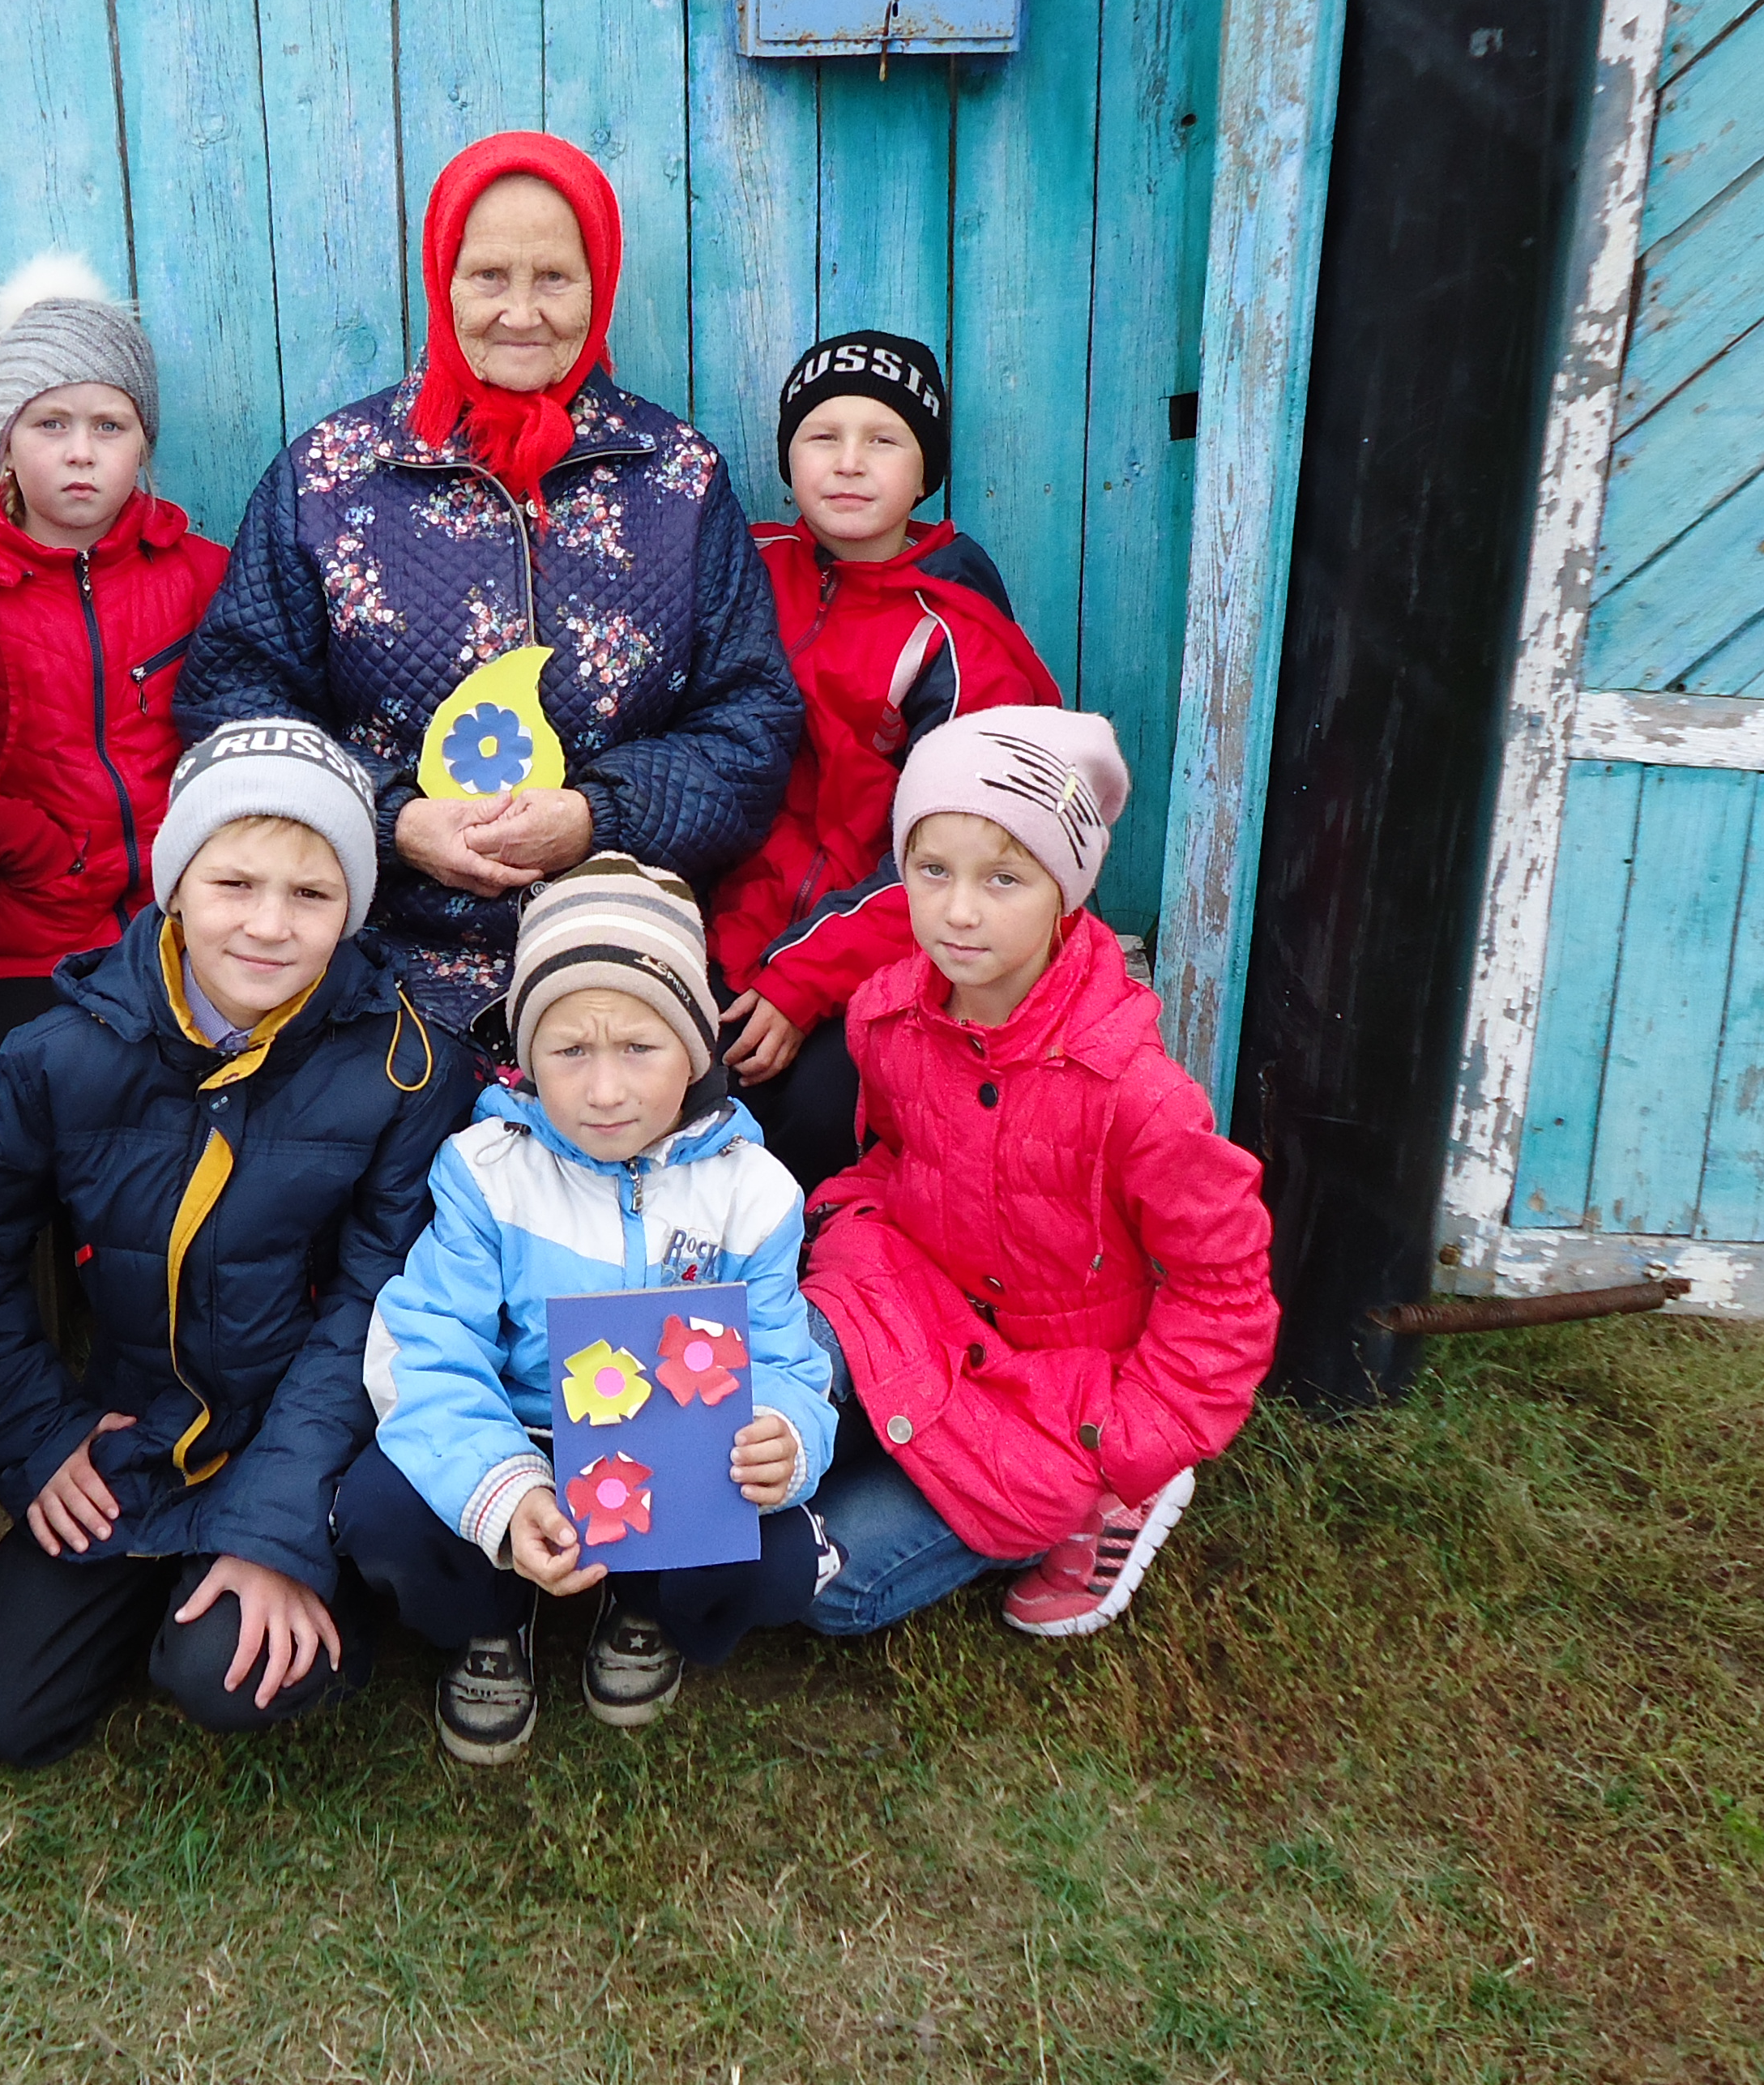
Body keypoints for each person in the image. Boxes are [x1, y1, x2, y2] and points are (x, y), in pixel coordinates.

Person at [0, 719, 472, 1767]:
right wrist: (38, 1435)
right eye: (234, 884)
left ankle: (314, 1571)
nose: (268, 925)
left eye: (312, 894)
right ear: (176, 886)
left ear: (353, 907)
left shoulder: (407, 1069)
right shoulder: (61, 1054)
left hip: (312, 1437)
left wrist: (275, 1529)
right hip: (143, 1432)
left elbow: (378, 1303)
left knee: (224, 1674)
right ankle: (162, 1569)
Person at [177, 129, 800, 1045]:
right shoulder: (330, 477)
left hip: (619, 962)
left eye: (554, 278)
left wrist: (596, 818)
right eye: (489, 276)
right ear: (443, 282)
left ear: (600, 285)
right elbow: (235, 702)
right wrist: (394, 822)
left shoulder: (676, 477)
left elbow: (751, 723)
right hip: (374, 962)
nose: (521, 311)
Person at [799, 708, 1278, 1643]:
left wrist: (1128, 1441)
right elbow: (891, 1155)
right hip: (919, 1312)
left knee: (827, 1585)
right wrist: (849, 1228)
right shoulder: (886, 1019)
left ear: (1066, 891)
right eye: (932, 870)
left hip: (1057, 1398)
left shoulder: (1137, 1093)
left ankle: (1105, 1503)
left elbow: (1224, 1294)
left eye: (1003, 878)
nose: (958, 910)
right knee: (773, 1435)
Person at [343, 857, 835, 1762]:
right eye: (570, 1051)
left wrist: (787, 1434)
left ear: (695, 1050)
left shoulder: (754, 1191)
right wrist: (506, 1490)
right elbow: (427, 1347)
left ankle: (644, 1603)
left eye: (639, 1048)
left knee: (779, 1557)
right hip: (522, 1438)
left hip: (677, 1459)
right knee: (382, 1506)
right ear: (529, 1058)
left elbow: (785, 1355)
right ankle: (491, 1614)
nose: (605, 1091)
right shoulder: (485, 1173)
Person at [706, 331, 1062, 1196]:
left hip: (886, 940)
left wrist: (803, 980)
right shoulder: (750, 567)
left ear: (924, 470)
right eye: (822, 436)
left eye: (884, 439)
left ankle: (827, 1260)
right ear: (789, 458)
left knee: (820, 1110)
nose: (849, 463)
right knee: (664, 1075)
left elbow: (957, 855)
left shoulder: (957, 635)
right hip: (728, 917)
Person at [0, 253, 226, 1121]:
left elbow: (241, 733)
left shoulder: (198, 575)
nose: (81, 452)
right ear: (6, 440)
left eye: (109, 425)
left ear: (143, 442)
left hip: (183, 931)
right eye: (50, 423)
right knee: (25, 1145)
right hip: (22, 939)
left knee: (185, 1148)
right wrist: (36, 851)